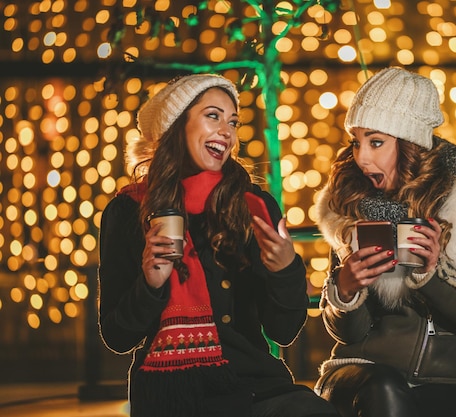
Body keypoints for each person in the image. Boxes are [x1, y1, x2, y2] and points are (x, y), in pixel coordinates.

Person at [98, 73, 339, 417]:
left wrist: (286, 269)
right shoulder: (128, 211)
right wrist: (150, 284)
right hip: (171, 397)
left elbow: (283, 332)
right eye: (213, 115)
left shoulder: (254, 205)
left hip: (254, 386)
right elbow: (117, 336)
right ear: (176, 126)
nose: (227, 130)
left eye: (233, 121)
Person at [313, 67, 456, 417]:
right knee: (385, 387)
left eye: (376, 141)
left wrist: (433, 277)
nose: (361, 157)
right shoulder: (350, 203)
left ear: (409, 140)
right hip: (362, 372)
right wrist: (346, 287)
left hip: (448, 380)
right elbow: (348, 334)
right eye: (356, 141)